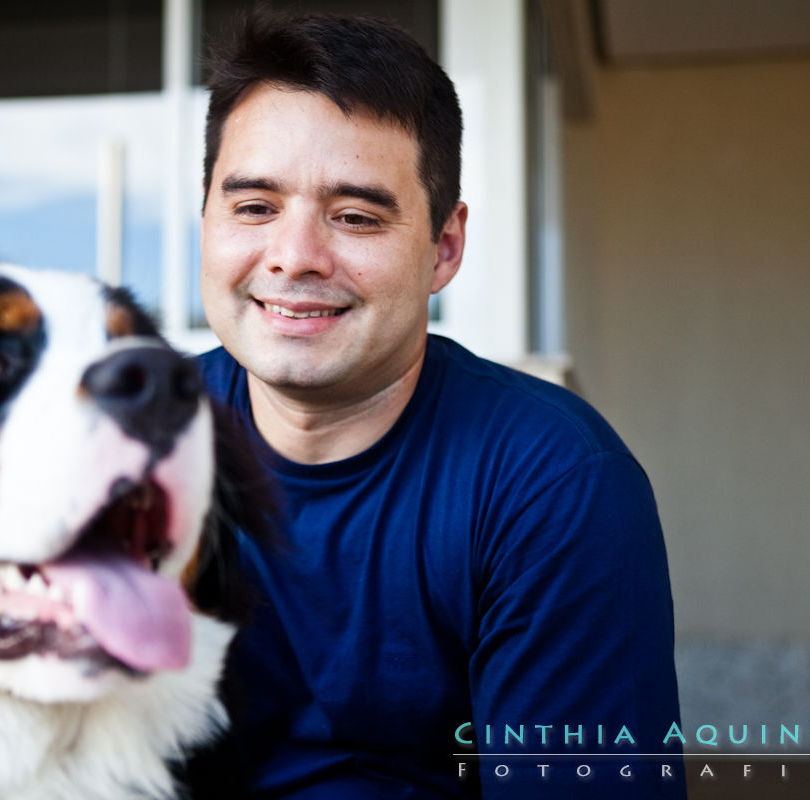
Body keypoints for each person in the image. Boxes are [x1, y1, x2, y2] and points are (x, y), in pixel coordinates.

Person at [195, 12, 685, 800]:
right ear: (208, 223)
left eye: (355, 216)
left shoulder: (556, 483)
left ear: (443, 249)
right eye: (254, 207)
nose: (293, 257)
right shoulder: (128, 448)